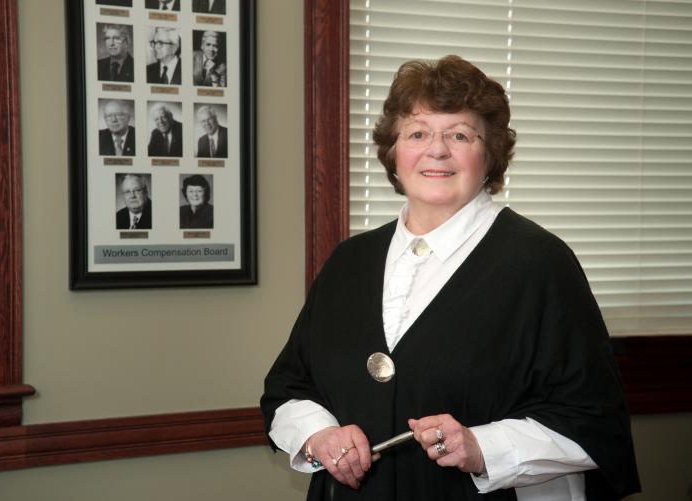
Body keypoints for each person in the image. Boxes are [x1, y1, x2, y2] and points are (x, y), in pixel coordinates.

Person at [261, 55, 640, 500]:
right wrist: (319, 436)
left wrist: (481, 447)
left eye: (459, 134)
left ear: (490, 153)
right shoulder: (349, 261)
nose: (436, 150)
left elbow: (594, 421)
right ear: (394, 150)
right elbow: (288, 389)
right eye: (417, 133)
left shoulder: (541, 264)